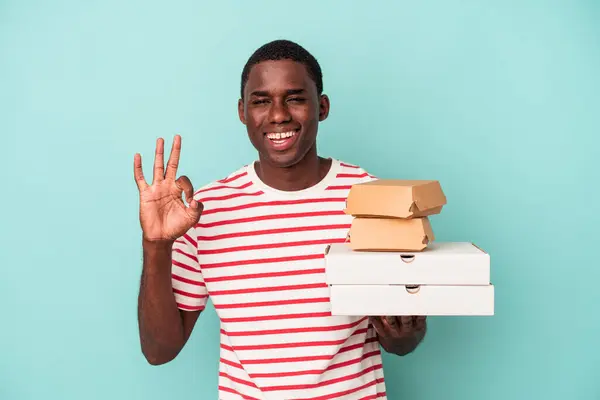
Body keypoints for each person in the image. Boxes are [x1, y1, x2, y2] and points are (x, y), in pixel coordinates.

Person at [133, 39, 427, 400]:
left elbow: (400, 341)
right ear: (242, 111)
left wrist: (405, 334)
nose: (278, 115)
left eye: (295, 97)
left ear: (322, 106)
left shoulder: (372, 199)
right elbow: (159, 351)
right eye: (261, 101)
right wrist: (156, 245)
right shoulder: (202, 210)